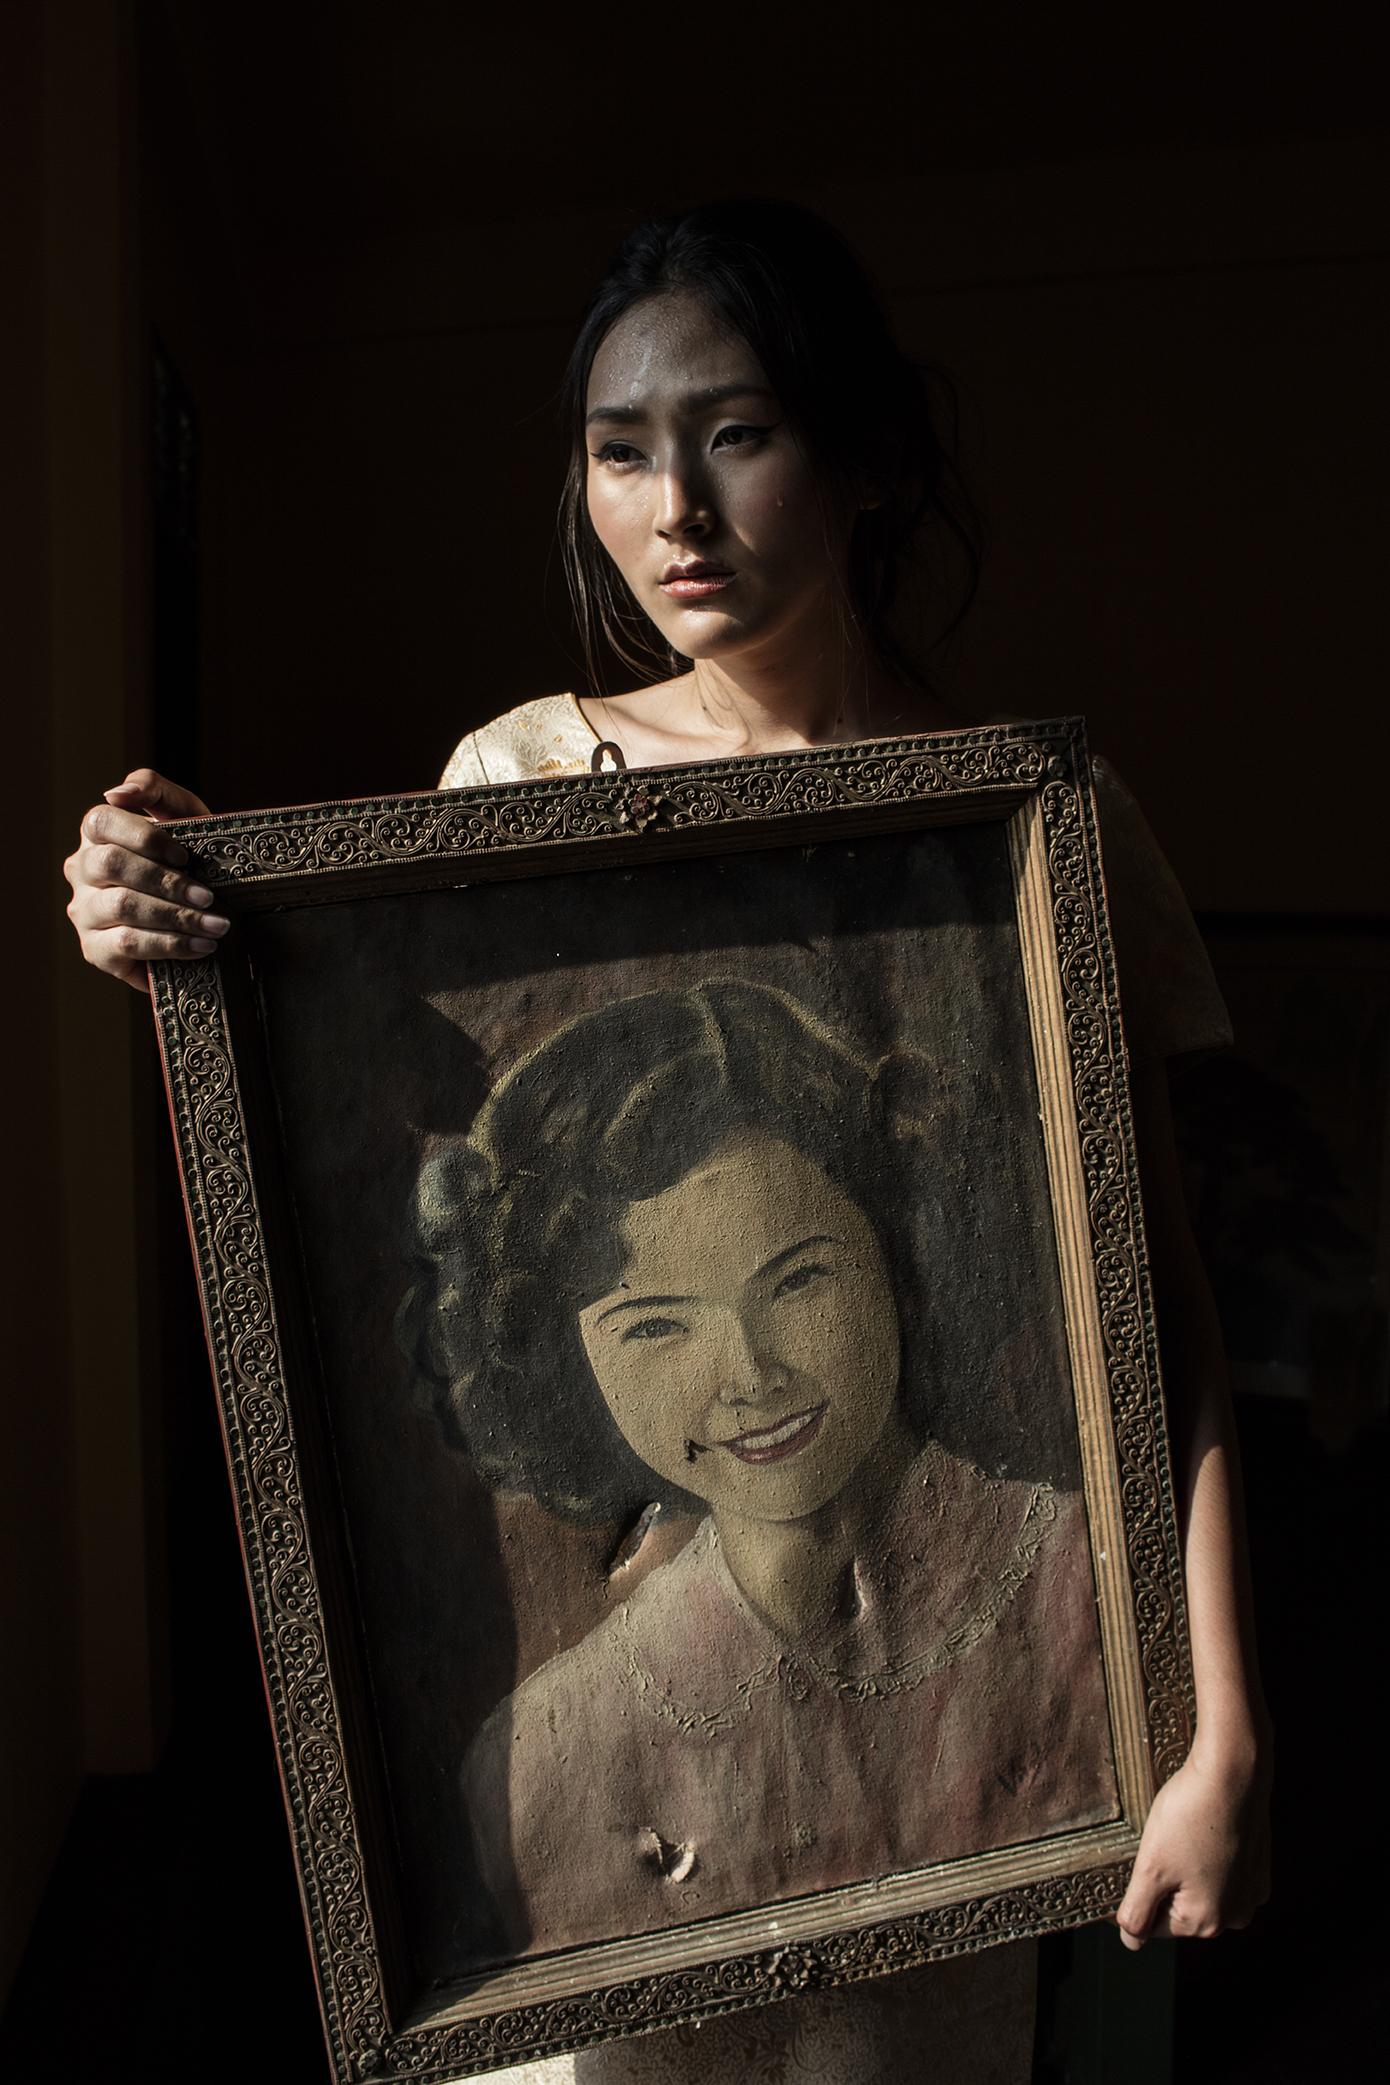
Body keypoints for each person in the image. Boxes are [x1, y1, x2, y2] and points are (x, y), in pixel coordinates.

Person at [63, 199, 1271, 2083]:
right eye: (619, 452)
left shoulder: (1040, 843)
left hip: (950, 1764)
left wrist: (1219, 1736)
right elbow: (389, 1161)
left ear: (866, 457)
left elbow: (1162, 1320)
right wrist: (196, 931)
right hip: (609, 1818)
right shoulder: (521, 783)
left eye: (737, 433)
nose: (675, 510)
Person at [396, 978, 1119, 1959]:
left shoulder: (1090, 1586)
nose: (750, 1374)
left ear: (895, 1254)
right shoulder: (551, 1756)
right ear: (566, 1361)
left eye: (799, 1279)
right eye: (656, 1326)